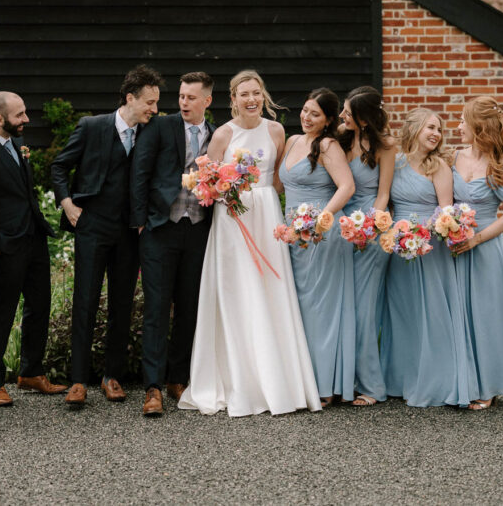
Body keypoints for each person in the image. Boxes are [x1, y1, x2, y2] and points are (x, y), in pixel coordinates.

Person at [179, 69, 321, 417]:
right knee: (238, 290)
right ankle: (239, 380)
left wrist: (267, 205)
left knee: (270, 288)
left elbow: (277, 180)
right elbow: (205, 183)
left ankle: (279, 378)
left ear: (264, 95)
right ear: (233, 98)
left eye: (256, 92)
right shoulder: (223, 135)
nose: (251, 99)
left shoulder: (276, 131)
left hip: (266, 215)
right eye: (244, 94)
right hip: (232, 219)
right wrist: (225, 191)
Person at [51, 65, 163, 407]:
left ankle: (111, 377)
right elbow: (59, 166)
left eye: (157, 103)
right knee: (84, 301)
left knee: (122, 304)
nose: (154, 110)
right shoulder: (92, 127)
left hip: (130, 232)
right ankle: (79, 381)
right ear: (130, 98)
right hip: (93, 227)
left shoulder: (151, 131)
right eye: (149, 102)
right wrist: (67, 204)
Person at [0, 91, 67, 407]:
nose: (26, 119)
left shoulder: (16, 146)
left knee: (40, 306)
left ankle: (31, 373)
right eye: (20, 114)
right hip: (6, 247)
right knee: (3, 311)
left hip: (33, 239)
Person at [129, 71, 216, 417]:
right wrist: (140, 221)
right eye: (181, 96)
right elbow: (141, 171)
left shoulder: (217, 133)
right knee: (156, 307)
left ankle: (177, 378)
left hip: (198, 230)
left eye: (191, 98)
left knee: (189, 306)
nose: (183, 102)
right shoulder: (161, 127)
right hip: (160, 229)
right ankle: (152, 387)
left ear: (207, 101)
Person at [381, 108, 477, 407]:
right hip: (399, 248)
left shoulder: (439, 167)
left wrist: (424, 234)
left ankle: (438, 382)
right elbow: (390, 206)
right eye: (430, 128)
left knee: (433, 313)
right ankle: (403, 379)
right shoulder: (394, 163)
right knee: (403, 314)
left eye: (439, 129)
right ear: (414, 129)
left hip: (431, 248)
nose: (436, 133)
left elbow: (445, 212)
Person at [451, 96, 503, 410]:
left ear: (479, 127)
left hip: (485, 248)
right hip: (455, 246)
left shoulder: (502, 167)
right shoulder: (453, 157)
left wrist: (476, 240)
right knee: (459, 314)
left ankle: (488, 387)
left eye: (463, 121)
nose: (458, 127)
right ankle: (461, 381)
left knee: (486, 316)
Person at [279, 88, 356, 405]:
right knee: (296, 307)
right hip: (291, 237)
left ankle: (324, 385)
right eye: (305, 110)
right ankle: (300, 380)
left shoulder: (328, 146)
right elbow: (277, 185)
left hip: (321, 236)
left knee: (319, 311)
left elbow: (347, 186)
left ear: (326, 120)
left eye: (315, 114)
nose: (306, 117)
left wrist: (321, 219)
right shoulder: (292, 141)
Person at [338, 86, 396, 406]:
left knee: (364, 308)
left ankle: (372, 386)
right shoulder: (341, 139)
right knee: (345, 306)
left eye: (348, 112)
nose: (342, 116)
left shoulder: (385, 146)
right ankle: (345, 380)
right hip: (342, 229)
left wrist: (370, 228)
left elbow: (383, 194)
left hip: (373, 232)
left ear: (363, 119)